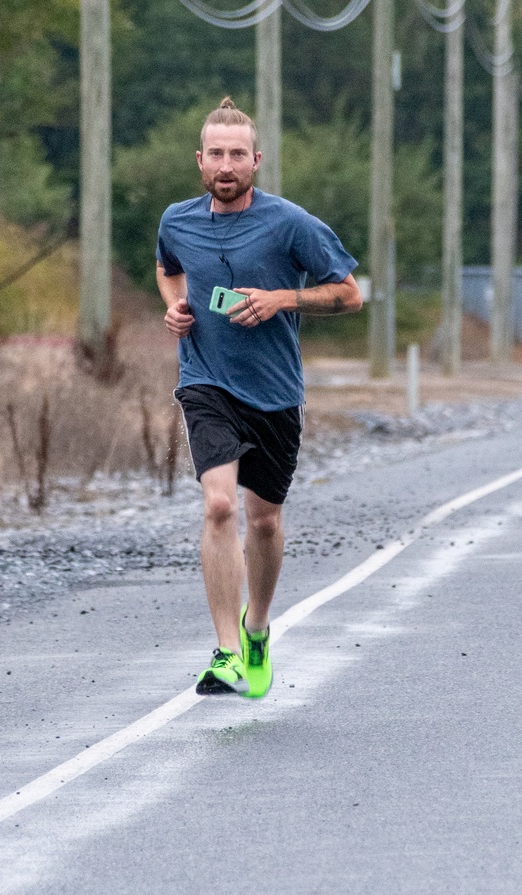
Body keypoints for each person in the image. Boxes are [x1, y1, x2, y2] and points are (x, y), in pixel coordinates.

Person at [156, 97, 363, 698]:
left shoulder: (291, 223)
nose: (226, 164)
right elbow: (169, 267)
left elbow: (349, 295)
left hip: (274, 391)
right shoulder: (177, 220)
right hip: (206, 381)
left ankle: (257, 630)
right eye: (216, 154)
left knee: (264, 520)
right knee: (219, 506)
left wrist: (282, 299)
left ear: (256, 161)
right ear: (200, 161)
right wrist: (174, 304)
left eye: (237, 155)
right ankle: (225, 652)